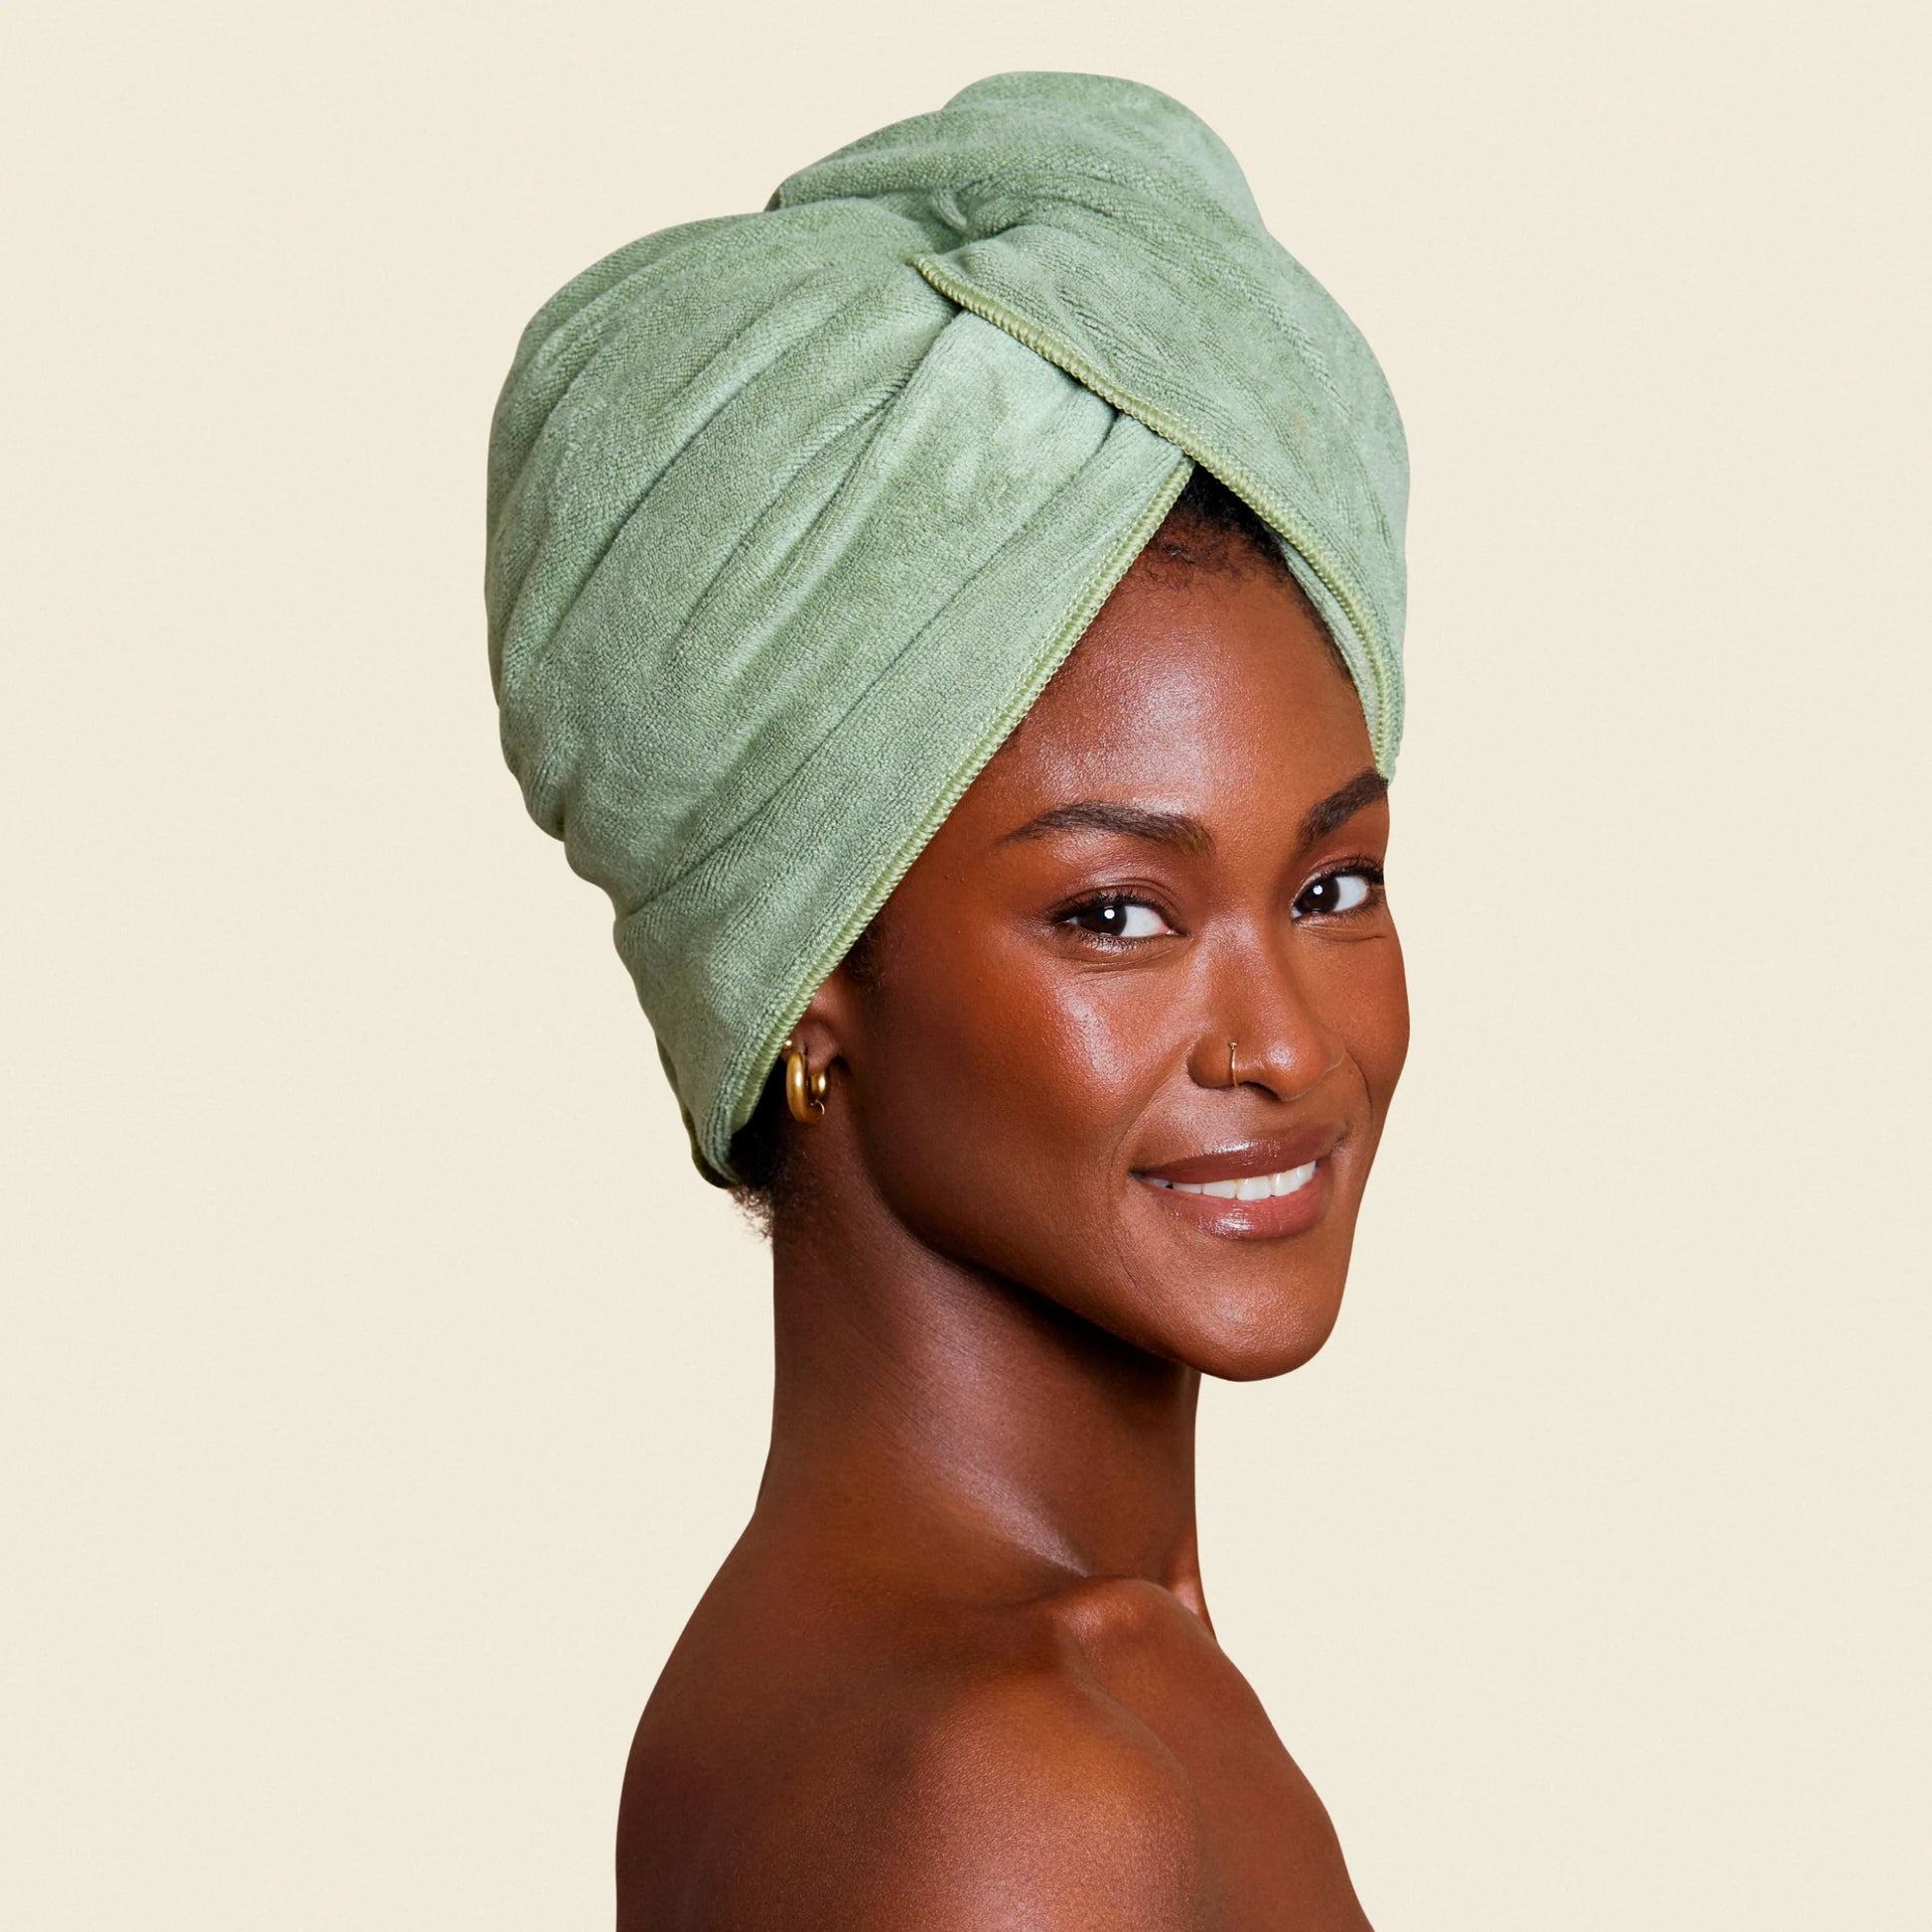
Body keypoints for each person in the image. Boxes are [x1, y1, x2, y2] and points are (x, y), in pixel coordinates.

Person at [487, 70, 1409, 1929]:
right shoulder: (1004, 1790)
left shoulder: (1066, 1685)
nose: (1286, 1043)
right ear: (807, 974)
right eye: (1116, 913)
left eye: (1330, 885)